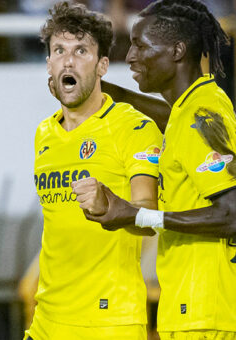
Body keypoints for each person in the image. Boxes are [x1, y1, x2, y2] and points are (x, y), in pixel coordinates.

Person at [74, 0, 236, 339]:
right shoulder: (197, 104)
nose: (130, 56)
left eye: (140, 45)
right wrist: (103, 93)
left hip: (205, 314)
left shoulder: (198, 115)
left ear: (177, 50)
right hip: (198, 308)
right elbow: (171, 120)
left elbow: (232, 213)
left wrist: (139, 216)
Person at [24, 2, 163, 340]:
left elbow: (149, 213)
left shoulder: (134, 127)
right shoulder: (44, 133)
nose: (68, 60)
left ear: (102, 65)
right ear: (49, 63)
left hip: (108, 322)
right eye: (59, 50)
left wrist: (113, 207)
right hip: (47, 321)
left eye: (81, 50)